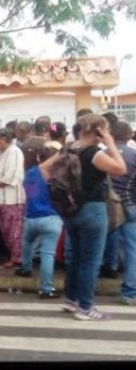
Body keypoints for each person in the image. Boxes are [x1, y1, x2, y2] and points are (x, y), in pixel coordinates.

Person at [62, 114, 126, 320]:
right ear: (99, 130)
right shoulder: (94, 153)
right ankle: (86, 307)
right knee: (91, 260)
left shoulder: (69, 149)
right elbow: (120, 169)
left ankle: (71, 300)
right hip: (93, 209)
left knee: (76, 258)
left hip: (71, 208)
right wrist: (110, 144)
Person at [16, 147, 64, 299]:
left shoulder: (30, 174)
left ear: (38, 158)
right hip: (52, 219)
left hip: (31, 217)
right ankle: (46, 289)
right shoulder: (58, 176)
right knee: (48, 254)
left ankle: (26, 268)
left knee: (27, 242)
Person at [102, 121, 136, 306]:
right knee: (132, 250)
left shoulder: (102, 155)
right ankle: (129, 293)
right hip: (130, 205)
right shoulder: (134, 155)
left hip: (106, 207)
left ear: (111, 135)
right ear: (129, 135)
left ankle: (107, 269)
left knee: (98, 246)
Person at [0, 128, 26, 270]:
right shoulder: (0, 154)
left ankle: (17, 259)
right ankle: (13, 257)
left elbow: (11, 175)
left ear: (4, 139)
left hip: (11, 198)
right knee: (6, 229)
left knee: (14, 230)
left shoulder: (14, 152)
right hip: (0, 198)